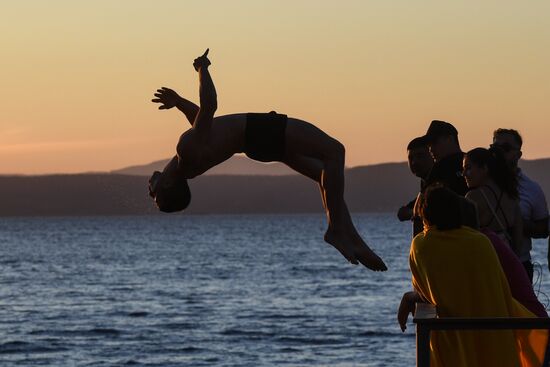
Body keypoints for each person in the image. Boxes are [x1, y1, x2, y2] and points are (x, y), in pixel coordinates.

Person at [148, 49, 387, 271]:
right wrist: (202, 68)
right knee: (335, 151)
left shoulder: (188, 162)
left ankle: (352, 237)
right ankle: (336, 230)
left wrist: (179, 102)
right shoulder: (187, 151)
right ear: (169, 185)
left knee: (324, 176)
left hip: (258, 144)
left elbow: (204, 125)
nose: (150, 192)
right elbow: (209, 107)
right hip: (259, 132)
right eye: (155, 195)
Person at [397, 185, 548, 367]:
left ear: (425, 216)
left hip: (451, 338)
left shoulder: (421, 245)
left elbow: (425, 292)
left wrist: (409, 297)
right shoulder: (481, 242)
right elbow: (500, 289)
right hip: (493, 335)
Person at [493, 128, 549, 281]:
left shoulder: (532, 189)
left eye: (505, 149)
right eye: (495, 148)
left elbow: (544, 230)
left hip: (519, 265)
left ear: (518, 155)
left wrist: (518, 223)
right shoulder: (478, 183)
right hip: (486, 265)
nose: (499, 153)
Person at [463, 147, 523, 255]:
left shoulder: (473, 197)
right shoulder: (511, 195)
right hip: (509, 261)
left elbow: (465, 237)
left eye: (468, 168)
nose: (464, 174)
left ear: (485, 168)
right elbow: (519, 241)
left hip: (486, 261)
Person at [397, 136, 433, 237]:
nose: (414, 162)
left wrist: (412, 212)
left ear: (432, 154)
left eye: (420, 156)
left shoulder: (439, 181)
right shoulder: (425, 182)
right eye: (410, 158)